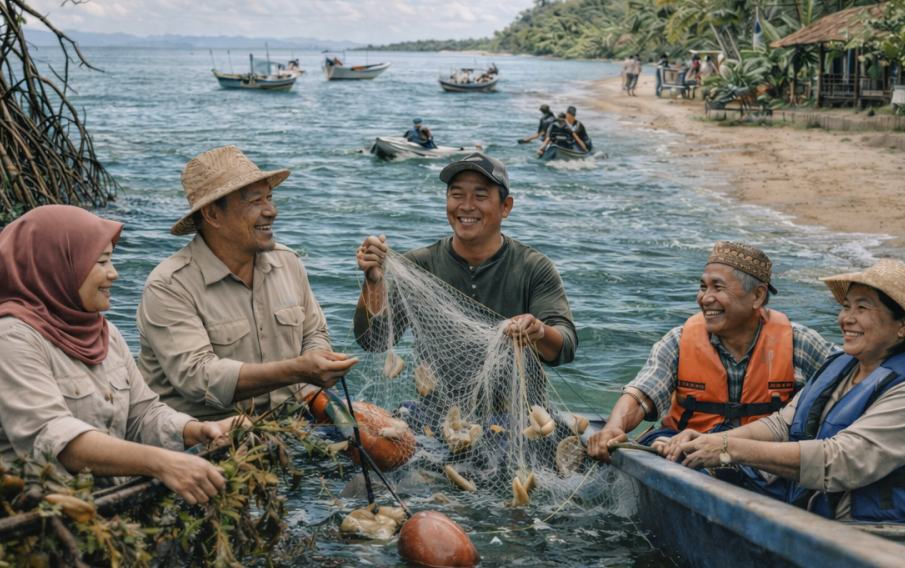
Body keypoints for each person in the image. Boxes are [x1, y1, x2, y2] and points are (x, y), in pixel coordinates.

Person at [0, 205, 240, 505]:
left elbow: (142, 416)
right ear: (56, 265)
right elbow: (57, 442)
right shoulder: (7, 340)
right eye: (101, 261)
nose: (113, 273)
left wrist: (199, 431)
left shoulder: (104, 332)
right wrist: (163, 463)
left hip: (97, 506)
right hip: (24, 515)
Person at [657, 259, 905, 525]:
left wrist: (728, 449)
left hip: (882, 530)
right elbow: (781, 425)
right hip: (819, 510)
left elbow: (838, 462)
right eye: (846, 307)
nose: (846, 319)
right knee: (691, 464)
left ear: (903, 324)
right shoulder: (843, 367)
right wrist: (709, 442)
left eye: (862, 308)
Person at [137, 146, 357, 421]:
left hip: (291, 424)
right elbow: (198, 379)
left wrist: (316, 362)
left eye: (269, 198)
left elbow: (314, 332)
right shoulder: (169, 286)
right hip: (206, 436)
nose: (272, 211)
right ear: (212, 215)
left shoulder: (288, 263)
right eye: (255, 201)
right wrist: (297, 370)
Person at [587, 241, 834, 462]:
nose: (705, 298)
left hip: (760, 457)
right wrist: (614, 427)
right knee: (662, 446)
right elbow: (643, 392)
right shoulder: (678, 340)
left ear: (757, 296)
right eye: (703, 287)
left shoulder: (800, 343)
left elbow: (851, 381)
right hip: (679, 446)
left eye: (718, 288)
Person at [353, 152, 577, 367]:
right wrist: (373, 282)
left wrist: (539, 331)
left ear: (506, 206)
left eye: (480, 196)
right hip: (438, 395)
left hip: (518, 395)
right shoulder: (418, 265)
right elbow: (373, 341)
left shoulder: (534, 267)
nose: (467, 206)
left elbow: (565, 348)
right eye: (457, 195)